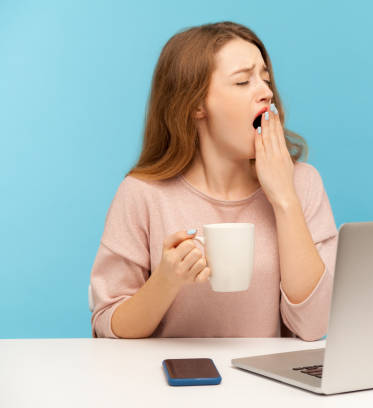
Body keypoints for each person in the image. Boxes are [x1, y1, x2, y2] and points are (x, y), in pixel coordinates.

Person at [89, 21, 338, 341]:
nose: (266, 91)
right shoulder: (143, 194)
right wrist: (166, 281)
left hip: (268, 389)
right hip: (165, 386)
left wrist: (285, 198)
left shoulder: (303, 183)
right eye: (243, 81)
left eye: (265, 78)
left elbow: (315, 326)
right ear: (195, 104)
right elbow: (108, 324)